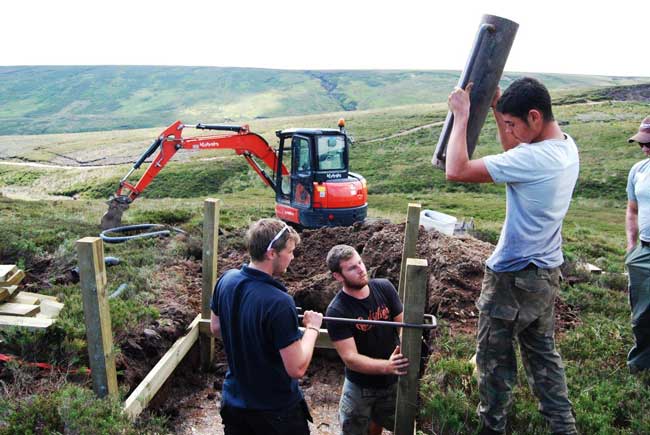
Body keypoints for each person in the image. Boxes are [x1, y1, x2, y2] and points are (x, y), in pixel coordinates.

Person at [445, 77, 579, 435]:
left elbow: (456, 169)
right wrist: (496, 110)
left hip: (512, 278)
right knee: (544, 360)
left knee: (494, 365)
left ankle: (491, 429)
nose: (510, 132)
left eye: (512, 124)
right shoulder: (565, 147)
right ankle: (564, 428)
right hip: (545, 273)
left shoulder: (535, 158)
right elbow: (514, 153)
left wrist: (462, 116)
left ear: (534, 117)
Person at [210, 218, 323, 435]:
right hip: (275, 413)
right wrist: (312, 329)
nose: (292, 257)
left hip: (235, 405)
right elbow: (297, 368)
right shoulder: (279, 302)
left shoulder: (226, 280)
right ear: (272, 253)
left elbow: (216, 328)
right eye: (290, 251)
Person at [324, 244, 409, 435]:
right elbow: (350, 358)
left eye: (360, 263)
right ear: (338, 276)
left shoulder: (384, 288)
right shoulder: (337, 311)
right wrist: (387, 366)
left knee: (399, 425)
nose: (361, 269)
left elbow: (404, 327)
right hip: (359, 388)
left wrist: (404, 348)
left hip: (392, 382)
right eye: (352, 268)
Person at [624, 115, 650, 374]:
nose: (644, 148)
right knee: (641, 314)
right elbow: (632, 210)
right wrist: (632, 246)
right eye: (641, 143)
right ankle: (640, 366)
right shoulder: (638, 170)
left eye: (649, 143)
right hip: (643, 251)